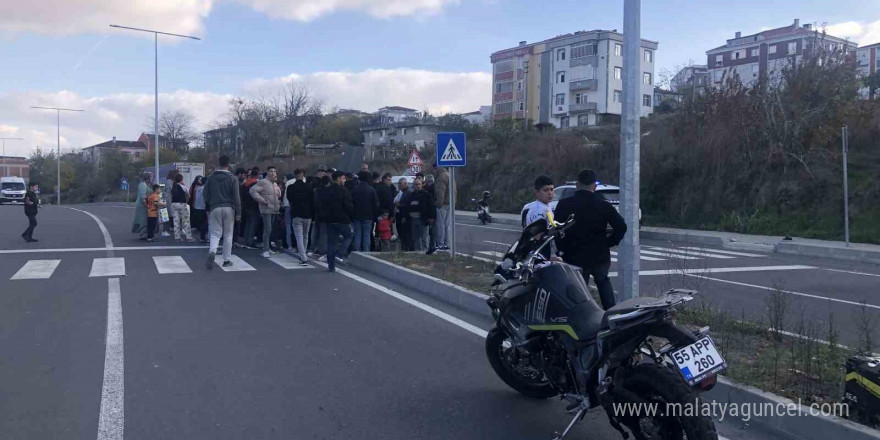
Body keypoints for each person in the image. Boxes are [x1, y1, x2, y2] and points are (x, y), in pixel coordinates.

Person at [554, 169, 627, 310]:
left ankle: (582, 316)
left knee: (579, 289)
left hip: (573, 254)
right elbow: (621, 227)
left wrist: (562, 248)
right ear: (594, 186)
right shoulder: (604, 205)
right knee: (603, 282)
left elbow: (556, 230)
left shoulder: (564, 204)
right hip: (599, 253)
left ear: (577, 185)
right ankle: (611, 313)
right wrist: (608, 243)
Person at [203, 155, 242, 269]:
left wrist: (210, 203)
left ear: (218, 164)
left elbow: (205, 194)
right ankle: (226, 259)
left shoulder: (211, 177)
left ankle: (212, 251)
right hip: (229, 208)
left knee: (215, 233)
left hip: (215, 207)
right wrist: (239, 212)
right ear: (228, 165)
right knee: (228, 235)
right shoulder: (232, 178)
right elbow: (236, 197)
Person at [318, 171, 353, 272]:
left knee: (331, 242)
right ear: (338, 179)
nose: (344, 180)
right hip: (342, 219)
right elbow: (349, 206)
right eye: (343, 178)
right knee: (349, 235)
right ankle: (340, 253)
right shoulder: (344, 191)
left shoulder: (327, 191)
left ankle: (331, 265)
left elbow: (322, 205)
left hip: (329, 220)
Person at [250, 166, 282, 258]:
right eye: (271, 171)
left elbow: (277, 195)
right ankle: (265, 250)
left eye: (274, 171)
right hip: (266, 209)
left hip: (274, 209)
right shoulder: (263, 182)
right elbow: (252, 190)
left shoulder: (275, 184)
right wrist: (262, 200)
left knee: (270, 230)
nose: (273, 173)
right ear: (267, 172)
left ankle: (268, 248)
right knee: (267, 229)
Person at [287, 168, 314, 265]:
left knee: (299, 236)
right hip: (308, 214)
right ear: (303, 176)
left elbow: (289, 200)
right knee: (305, 236)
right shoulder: (309, 187)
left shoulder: (290, 188)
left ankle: (303, 257)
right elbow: (313, 201)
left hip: (296, 214)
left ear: (295, 175)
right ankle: (303, 254)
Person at [351, 171, 379, 252]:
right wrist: (375, 215)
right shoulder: (372, 190)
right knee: (366, 235)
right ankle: (366, 252)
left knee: (357, 234)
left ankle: (357, 252)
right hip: (368, 216)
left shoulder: (355, 190)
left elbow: (351, 203)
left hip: (356, 215)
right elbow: (376, 204)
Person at [408, 177, 435, 252]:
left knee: (424, 237)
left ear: (422, 185)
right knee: (415, 237)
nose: (417, 186)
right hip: (413, 219)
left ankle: (425, 251)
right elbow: (408, 206)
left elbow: (431, 206)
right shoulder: (411, 195)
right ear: (413, 185)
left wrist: (431, 217)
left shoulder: (426, 195)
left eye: (419, 184)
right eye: (416, 184)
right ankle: (417, 251)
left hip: (423, 219)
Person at [432, 164, 452, 251]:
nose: (434, 170)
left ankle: (440, 244)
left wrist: (438, 204)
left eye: (435, 168)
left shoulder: (441, 177)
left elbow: (440, 193)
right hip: (450, 203)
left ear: (437, 167)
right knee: (447, 225)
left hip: (443, 204)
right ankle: (447, 244)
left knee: (440, 225)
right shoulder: (450, 175)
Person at [169, 173, 194, 241]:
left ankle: (177, 237)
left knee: (176, 221)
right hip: (182, 204)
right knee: (186, 221)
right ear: (181, 180)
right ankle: (189, 237)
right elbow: (188, 196)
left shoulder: (173, 187)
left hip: (174, 204)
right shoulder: (183, 187)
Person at [241, 168, 261, 248]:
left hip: (246, 206)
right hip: (254, 206)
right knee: (253, 223)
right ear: (257, 175)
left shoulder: (245, 183)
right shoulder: (256, 183)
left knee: (248, 223)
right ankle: (250, 241)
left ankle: (246, 240)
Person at [132, 172, 153, 240]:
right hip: (142, 205)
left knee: (147, 220)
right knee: (143, 220)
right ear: (147, 178)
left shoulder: (149, 185)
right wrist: (148, 205)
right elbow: (142, 197)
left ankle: (146, 234)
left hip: (148, 204)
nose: (152, 178)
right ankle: (143, 235)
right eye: (151, 177)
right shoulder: (142, 185)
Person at [394, 178, 413, 251]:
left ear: (405, 183)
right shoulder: (403, 192)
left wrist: (399, 205)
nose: (398, 185)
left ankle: (407, 248)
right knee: (403, 234)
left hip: (405, 216)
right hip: (401, 215)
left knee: (405, 234)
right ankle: (404, 247)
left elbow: (407, 205)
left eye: (400, 183)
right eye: (398, 183)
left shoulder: (407, 192)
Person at [189, 176, 208, 242]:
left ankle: (202, 237)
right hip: (204, 207)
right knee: (205, 222)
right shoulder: (206, 188)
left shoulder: (197, 188)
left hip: (197, 207)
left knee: (201, 222)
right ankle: (204, 237)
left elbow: (194, 197)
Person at [282, 172, 296, 252]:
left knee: (288, 226)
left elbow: (285, 196)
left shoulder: (287, 183)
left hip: (287, 205)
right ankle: (295, 244)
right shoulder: (299, 181)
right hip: (295, 206)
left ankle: (289, 245)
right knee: (295, 226)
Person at [162, 169, 178, 237]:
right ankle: (164, 230)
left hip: (170, 199)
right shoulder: (169, 181)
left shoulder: (171, 181)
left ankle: (169, 228)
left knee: (170, 214)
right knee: (167, 215)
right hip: (168, 199)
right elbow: (170, 190)